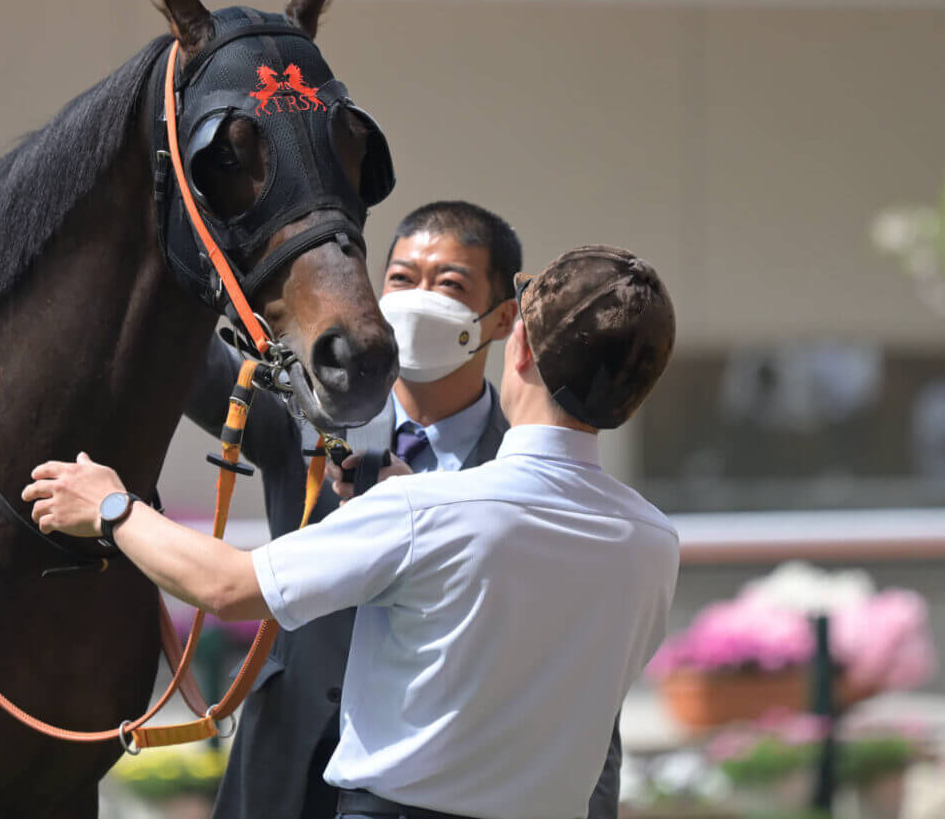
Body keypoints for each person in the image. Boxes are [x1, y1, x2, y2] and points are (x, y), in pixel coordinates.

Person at [25, 244, 680, 819]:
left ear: (522, 347)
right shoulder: (656, 543)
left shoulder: (428, 511)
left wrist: (112, 508)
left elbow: (226, 586)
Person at [184, 201, 622, 819]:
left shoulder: (528, 473)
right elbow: (181, 356)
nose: (418, 298)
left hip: (436, 794)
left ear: (501, 320)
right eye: (401, 278)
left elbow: (587, 704)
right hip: (283, 775)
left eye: (448, 284)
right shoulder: (309, 415)